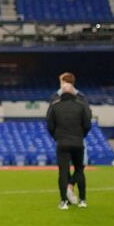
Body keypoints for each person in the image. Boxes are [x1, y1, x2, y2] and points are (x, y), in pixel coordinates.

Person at [46, 73, 93, 210]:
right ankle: (80, 198)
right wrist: (81, 135)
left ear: (65, 82)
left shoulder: (58, 100)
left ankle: (67, 193)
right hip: (77, 139)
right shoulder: (80, 99)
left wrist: (57, 136)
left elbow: (49, 121)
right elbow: (87, 121)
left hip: (65, 139)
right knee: (79, 168)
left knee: (67, 170)